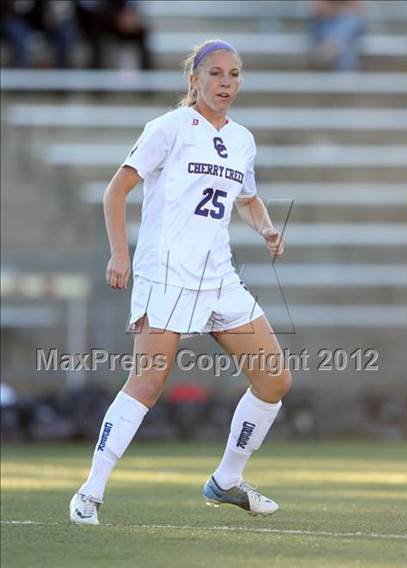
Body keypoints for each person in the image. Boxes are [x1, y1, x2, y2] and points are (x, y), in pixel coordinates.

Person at [69, 39, 292, 525]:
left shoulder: (242, 140)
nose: (225, 83)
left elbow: (247, 199)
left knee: (275, 379)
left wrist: (267, 226)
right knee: (147, 383)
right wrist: (120, 254)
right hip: (165, 273)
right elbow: (116, 191)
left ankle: (226, 481)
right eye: (215, 74)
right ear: (194, 79)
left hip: (218, 276)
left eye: (234, 75)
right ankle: (90, 491)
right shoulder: (168, 128)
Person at [309, 0, 366, 71]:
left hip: (347, 25)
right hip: (326, 24)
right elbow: (319, 10)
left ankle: (330, 47)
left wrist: (335, 9)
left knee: (348, 23)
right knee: (344, 49)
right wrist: (340, 8)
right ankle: (332, 46)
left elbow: (358, 9)